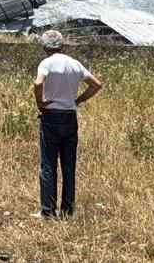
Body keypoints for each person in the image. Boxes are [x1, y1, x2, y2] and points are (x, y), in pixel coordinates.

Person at [33, 29, 102, 219]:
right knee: (69, 166)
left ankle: (47, 211)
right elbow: (96, 84)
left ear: (45, 46)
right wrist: (77, 100)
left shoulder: (46, 63)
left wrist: (40, 103)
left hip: (51, 116)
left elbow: (38, 84)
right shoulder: (75, 64)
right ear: (62, 45)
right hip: (70, 117)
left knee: (48, 164)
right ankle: (67, 210)